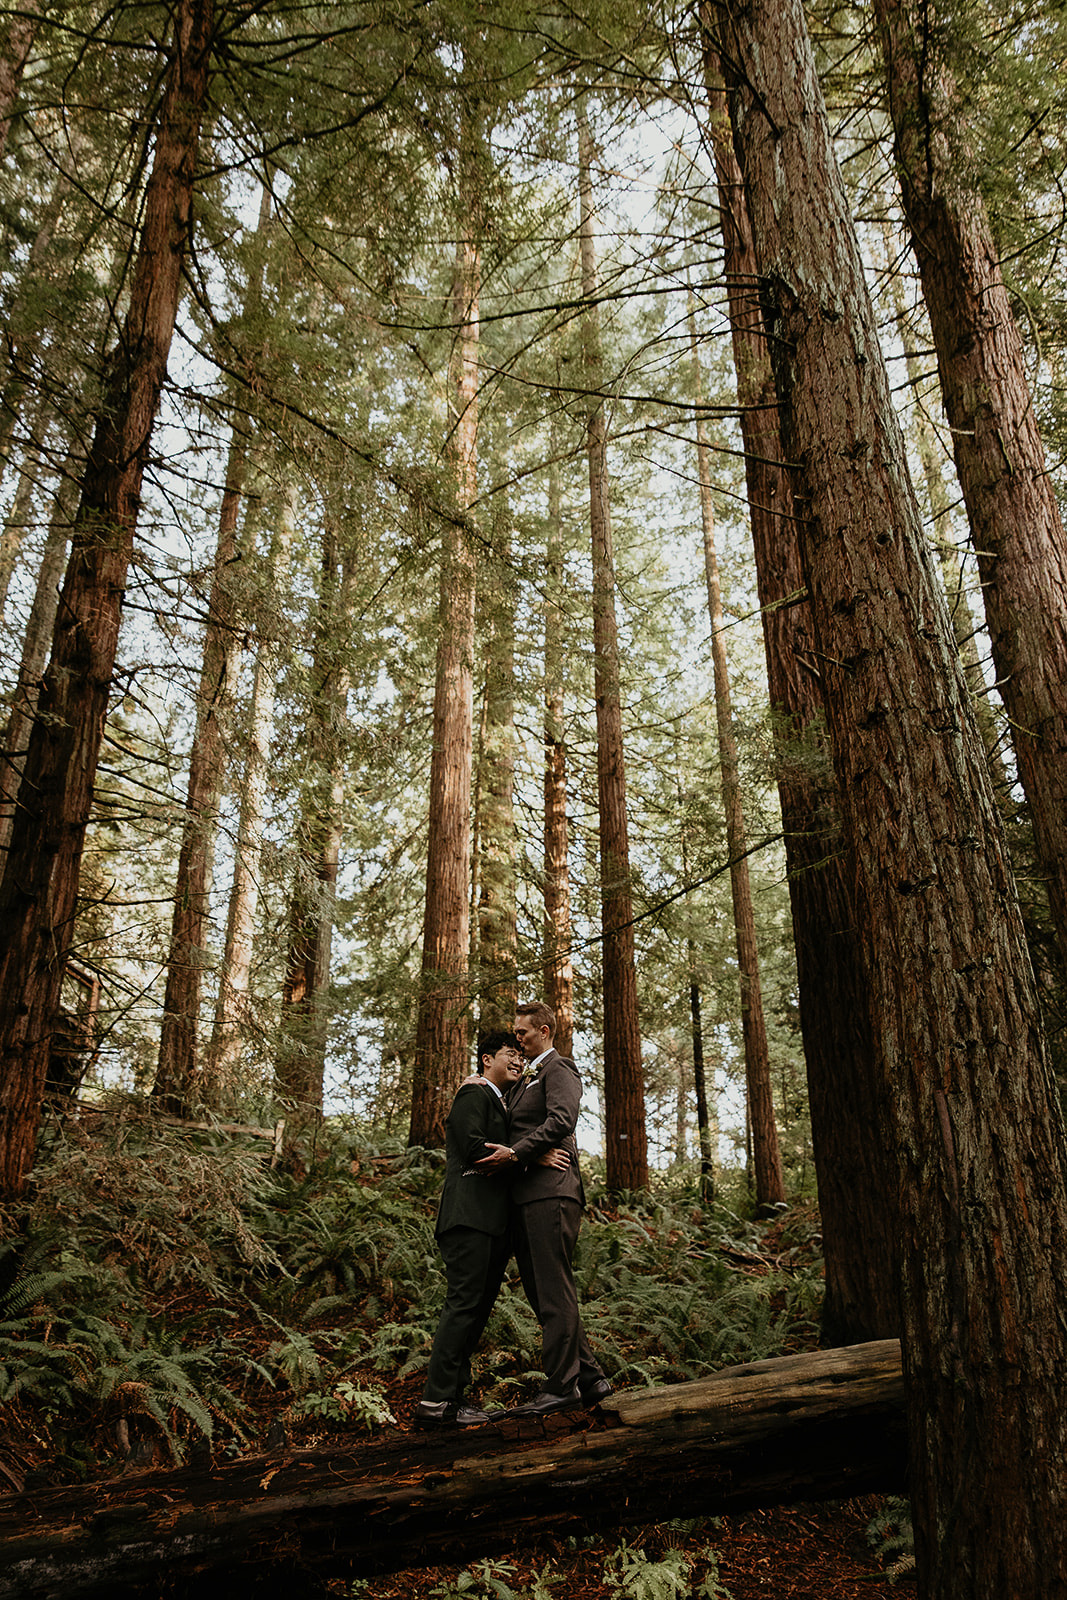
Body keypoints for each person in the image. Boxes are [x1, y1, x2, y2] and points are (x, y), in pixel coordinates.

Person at [476, 1000, 612, 1416]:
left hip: (552, 1193)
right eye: (515, 1033)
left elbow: (561, 1121)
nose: (517, 1039)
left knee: (553, 1289)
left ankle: (561, 1386)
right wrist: (526, 1156)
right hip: (526, 1195)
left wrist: (516, 1154)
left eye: (523, 1032)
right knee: (542, 1292)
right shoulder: (524, 1080)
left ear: (546, 1031)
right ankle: (591, 1379)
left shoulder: (560, 1069)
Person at [414, 1030, 520, 1430]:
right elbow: (476, 1150)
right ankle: (435, 1401)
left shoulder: (498, 1100)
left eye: (520, 1057)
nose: (517, 1061)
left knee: (475, 1312)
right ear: (486, 1059)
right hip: (467, 1218)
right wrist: (523, 1156)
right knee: (462, 1308)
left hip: (490, 1223)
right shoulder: (473, 1094)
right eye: (510, 1054)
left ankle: (453, 1400)